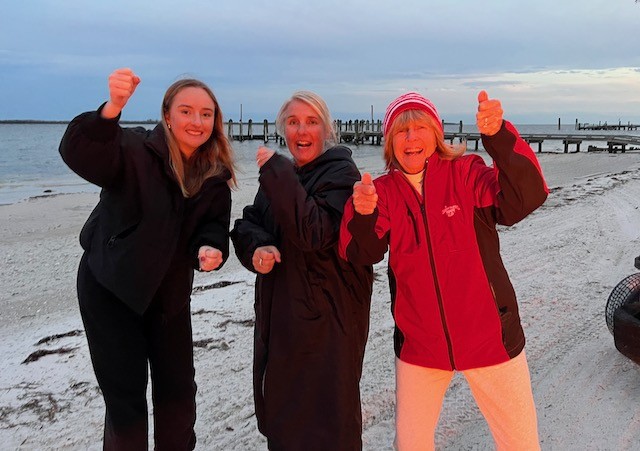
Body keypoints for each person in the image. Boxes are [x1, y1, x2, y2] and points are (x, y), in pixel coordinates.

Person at [339, 91, 549, 450]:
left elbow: (525, 198)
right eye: (401, 131)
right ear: (389, 142)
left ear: (436, 134)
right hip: (420, 346)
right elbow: (360, 252)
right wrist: (362, 213)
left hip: (491, 336)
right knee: (411, 444)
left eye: (420, 127)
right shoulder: (383, 193)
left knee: (520, 443)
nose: (411, 138)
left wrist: (498, 135)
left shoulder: (466, 173)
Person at [59, 68, 236, 450]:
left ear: (215, 121)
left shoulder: (214, 175)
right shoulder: (135, 149)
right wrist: (111, 109)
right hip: (110, 289)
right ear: (167, 116)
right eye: (186, 111)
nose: (197, 121)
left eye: (206, 114)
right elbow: (79, 152)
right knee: (127, 407)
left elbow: (213, 226)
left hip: (169, 298)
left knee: (178, 399)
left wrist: (210, 248)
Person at [230, 91, 374, 450]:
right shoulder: (285, 175)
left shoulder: (342, 174)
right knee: (283, 424)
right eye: (293, 122)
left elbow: (314, 232)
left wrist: (276, 172)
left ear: (326, 130)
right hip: (280, 319)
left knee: (331, 424)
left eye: (311, 122)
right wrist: (257, 248)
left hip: (330, 324)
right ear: (284, 130)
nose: (302, 130)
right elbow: (249, 222)